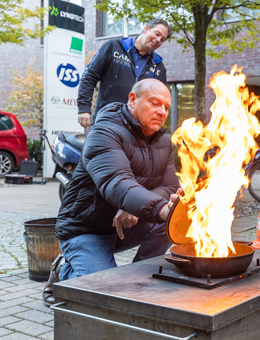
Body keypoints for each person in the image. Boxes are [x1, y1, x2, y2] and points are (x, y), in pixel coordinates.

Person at [43, 79, 180, 306]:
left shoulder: (164, 141)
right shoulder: (104, 132)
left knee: (170, 223)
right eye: (155, 103)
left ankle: (139, 279)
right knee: (105, 292)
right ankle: (64, 270)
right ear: (132, 99)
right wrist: (159, 207)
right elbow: (115, 181)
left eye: (166, 107)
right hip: (86, 230)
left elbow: (169, 186)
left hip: (124, 227)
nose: (161, 111)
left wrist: (134, 206)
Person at [77, 18, 172, 128]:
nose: (158, 40)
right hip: (105, 123)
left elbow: (161, 100)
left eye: (162, 39)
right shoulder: (113, 47)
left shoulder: (158, 67)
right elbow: (89, 77)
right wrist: (83, 108)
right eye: (157, 34)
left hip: (137, 130)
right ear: (146, 29)